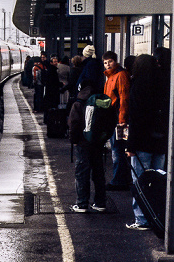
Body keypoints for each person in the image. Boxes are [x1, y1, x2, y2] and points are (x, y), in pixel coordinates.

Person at [125, 54, 169, 230]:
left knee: (141, 181)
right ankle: (157, 216)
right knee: (159, 180)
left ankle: (142, 219)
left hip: (142, 142)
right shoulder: (164, 84)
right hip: (160, 142)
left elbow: (136, 119)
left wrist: (130, 145)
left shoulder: (138, 86)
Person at [68, 79, 107, 213]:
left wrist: (73, 140)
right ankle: (100, 203)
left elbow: (74, 124)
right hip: (97, 142)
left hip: (82, 143)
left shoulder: (78, 104)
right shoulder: (101, 103)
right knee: (99, 172)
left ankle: (82, 203)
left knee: (82, 172)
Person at [102, 50, 131, 190]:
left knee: (117, 150)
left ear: (115, 61)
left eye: (110, 62)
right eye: (106, 63)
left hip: (118, 119)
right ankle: (120, 179)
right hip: (112, 118)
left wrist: (122, 119)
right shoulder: (111, 76)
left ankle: (119, 181)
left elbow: (124, 98)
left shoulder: (120, 75)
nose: (108, 65)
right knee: (116, 149)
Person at [42, 54, 62, 122]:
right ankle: (50, 119)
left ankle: (47, 119)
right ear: (51, 63)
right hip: (52, 93)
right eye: (54, 61)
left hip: (49, 92)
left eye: (56, 61)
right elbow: (54, 82)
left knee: (48, 107)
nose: (56, 63)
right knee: (51, 106)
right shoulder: (52, 71)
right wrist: (61, 84)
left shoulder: (51, 70)